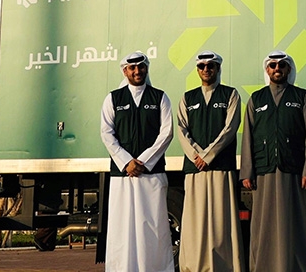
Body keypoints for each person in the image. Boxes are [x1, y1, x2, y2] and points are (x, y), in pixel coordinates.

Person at [239, 50, 306, 272]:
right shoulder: (256, 99)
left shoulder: (301, 97)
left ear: (288, 69)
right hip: (264, 170)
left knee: (294, 222)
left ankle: (297, 266)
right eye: (273, 65)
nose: (277, 69)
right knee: (264, 224)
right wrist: (247, 172)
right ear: (267, 69)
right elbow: (248, 137)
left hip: (294, 170)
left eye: (281, 65)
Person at [100, 50, 175, 272]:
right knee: (122, 227)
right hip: (122, 175)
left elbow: (166, 133)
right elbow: (106, 133)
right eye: (132, 68)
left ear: (146, 68)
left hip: (151, 173)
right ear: (125, 71)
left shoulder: (160, 97)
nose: (137, 71)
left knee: (153, 227)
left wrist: (142, 162)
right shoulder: (113, 98)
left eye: (141, 67)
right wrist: (126, 162)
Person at [176, 50, 244, 272]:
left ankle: (225, 265)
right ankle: (194, 265)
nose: (206, 69)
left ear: (218, 68)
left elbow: (230, 129)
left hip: (220, 167)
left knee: (220, 221)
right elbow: (181, 130)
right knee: (195, 222)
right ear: (197, 70)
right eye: (202, 66)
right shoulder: (187, 98)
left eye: (210, 66)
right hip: (195, 168)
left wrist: (208, 156)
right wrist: (197, 155)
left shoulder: (230, 95)